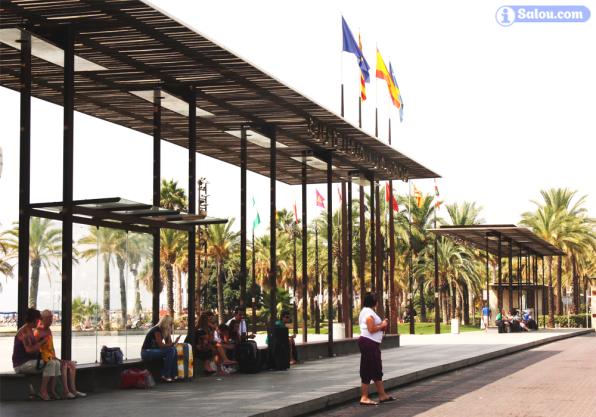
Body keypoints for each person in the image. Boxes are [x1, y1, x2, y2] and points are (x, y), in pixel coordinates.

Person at [12, 308, 61, 401]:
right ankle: (42, 391)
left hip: (30, 362)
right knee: (51, 363)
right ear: (34, 320)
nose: (40, 322)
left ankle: (52, 390)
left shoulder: (30, 330)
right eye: (39, 319)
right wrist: (42, 342)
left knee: (56, 363)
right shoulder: (24, 331)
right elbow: (29, 350)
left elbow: (35, 348)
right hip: (21, 364)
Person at [36, 309, 86, 399]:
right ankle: (65, 391)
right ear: (42, 319)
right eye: (48, 319)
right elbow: (40, 351)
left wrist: (57, 358)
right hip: (46, 358)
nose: (51, 321)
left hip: (51, 357)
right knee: (63, 365)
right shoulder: (38, 331)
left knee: (71, 364)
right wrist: (58, 360)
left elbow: (51, 349)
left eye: (51, 318)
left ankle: (73, 390)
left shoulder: (48, 330)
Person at [358, 293, 395, 406]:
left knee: (376, 369)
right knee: (368, 368)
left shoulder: (367, 311)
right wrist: (383, 324)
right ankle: (364, 397)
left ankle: (382, 395)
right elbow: (371, 329)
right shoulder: (368, 313)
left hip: (371, 343)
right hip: (369, 343)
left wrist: (382, 325)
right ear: (375, 302)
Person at [140, 315, 179, 382]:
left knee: (173, 350)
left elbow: (169, 344)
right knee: (171, 350)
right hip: (146, 352)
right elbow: (161, 345)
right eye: (170, 323)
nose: (171, 325)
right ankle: (165, 375)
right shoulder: (156, 329)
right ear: (166, 323)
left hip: (155, 351)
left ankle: (173, 374)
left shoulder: (165, 331)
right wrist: (171, 344)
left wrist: (169, 334)